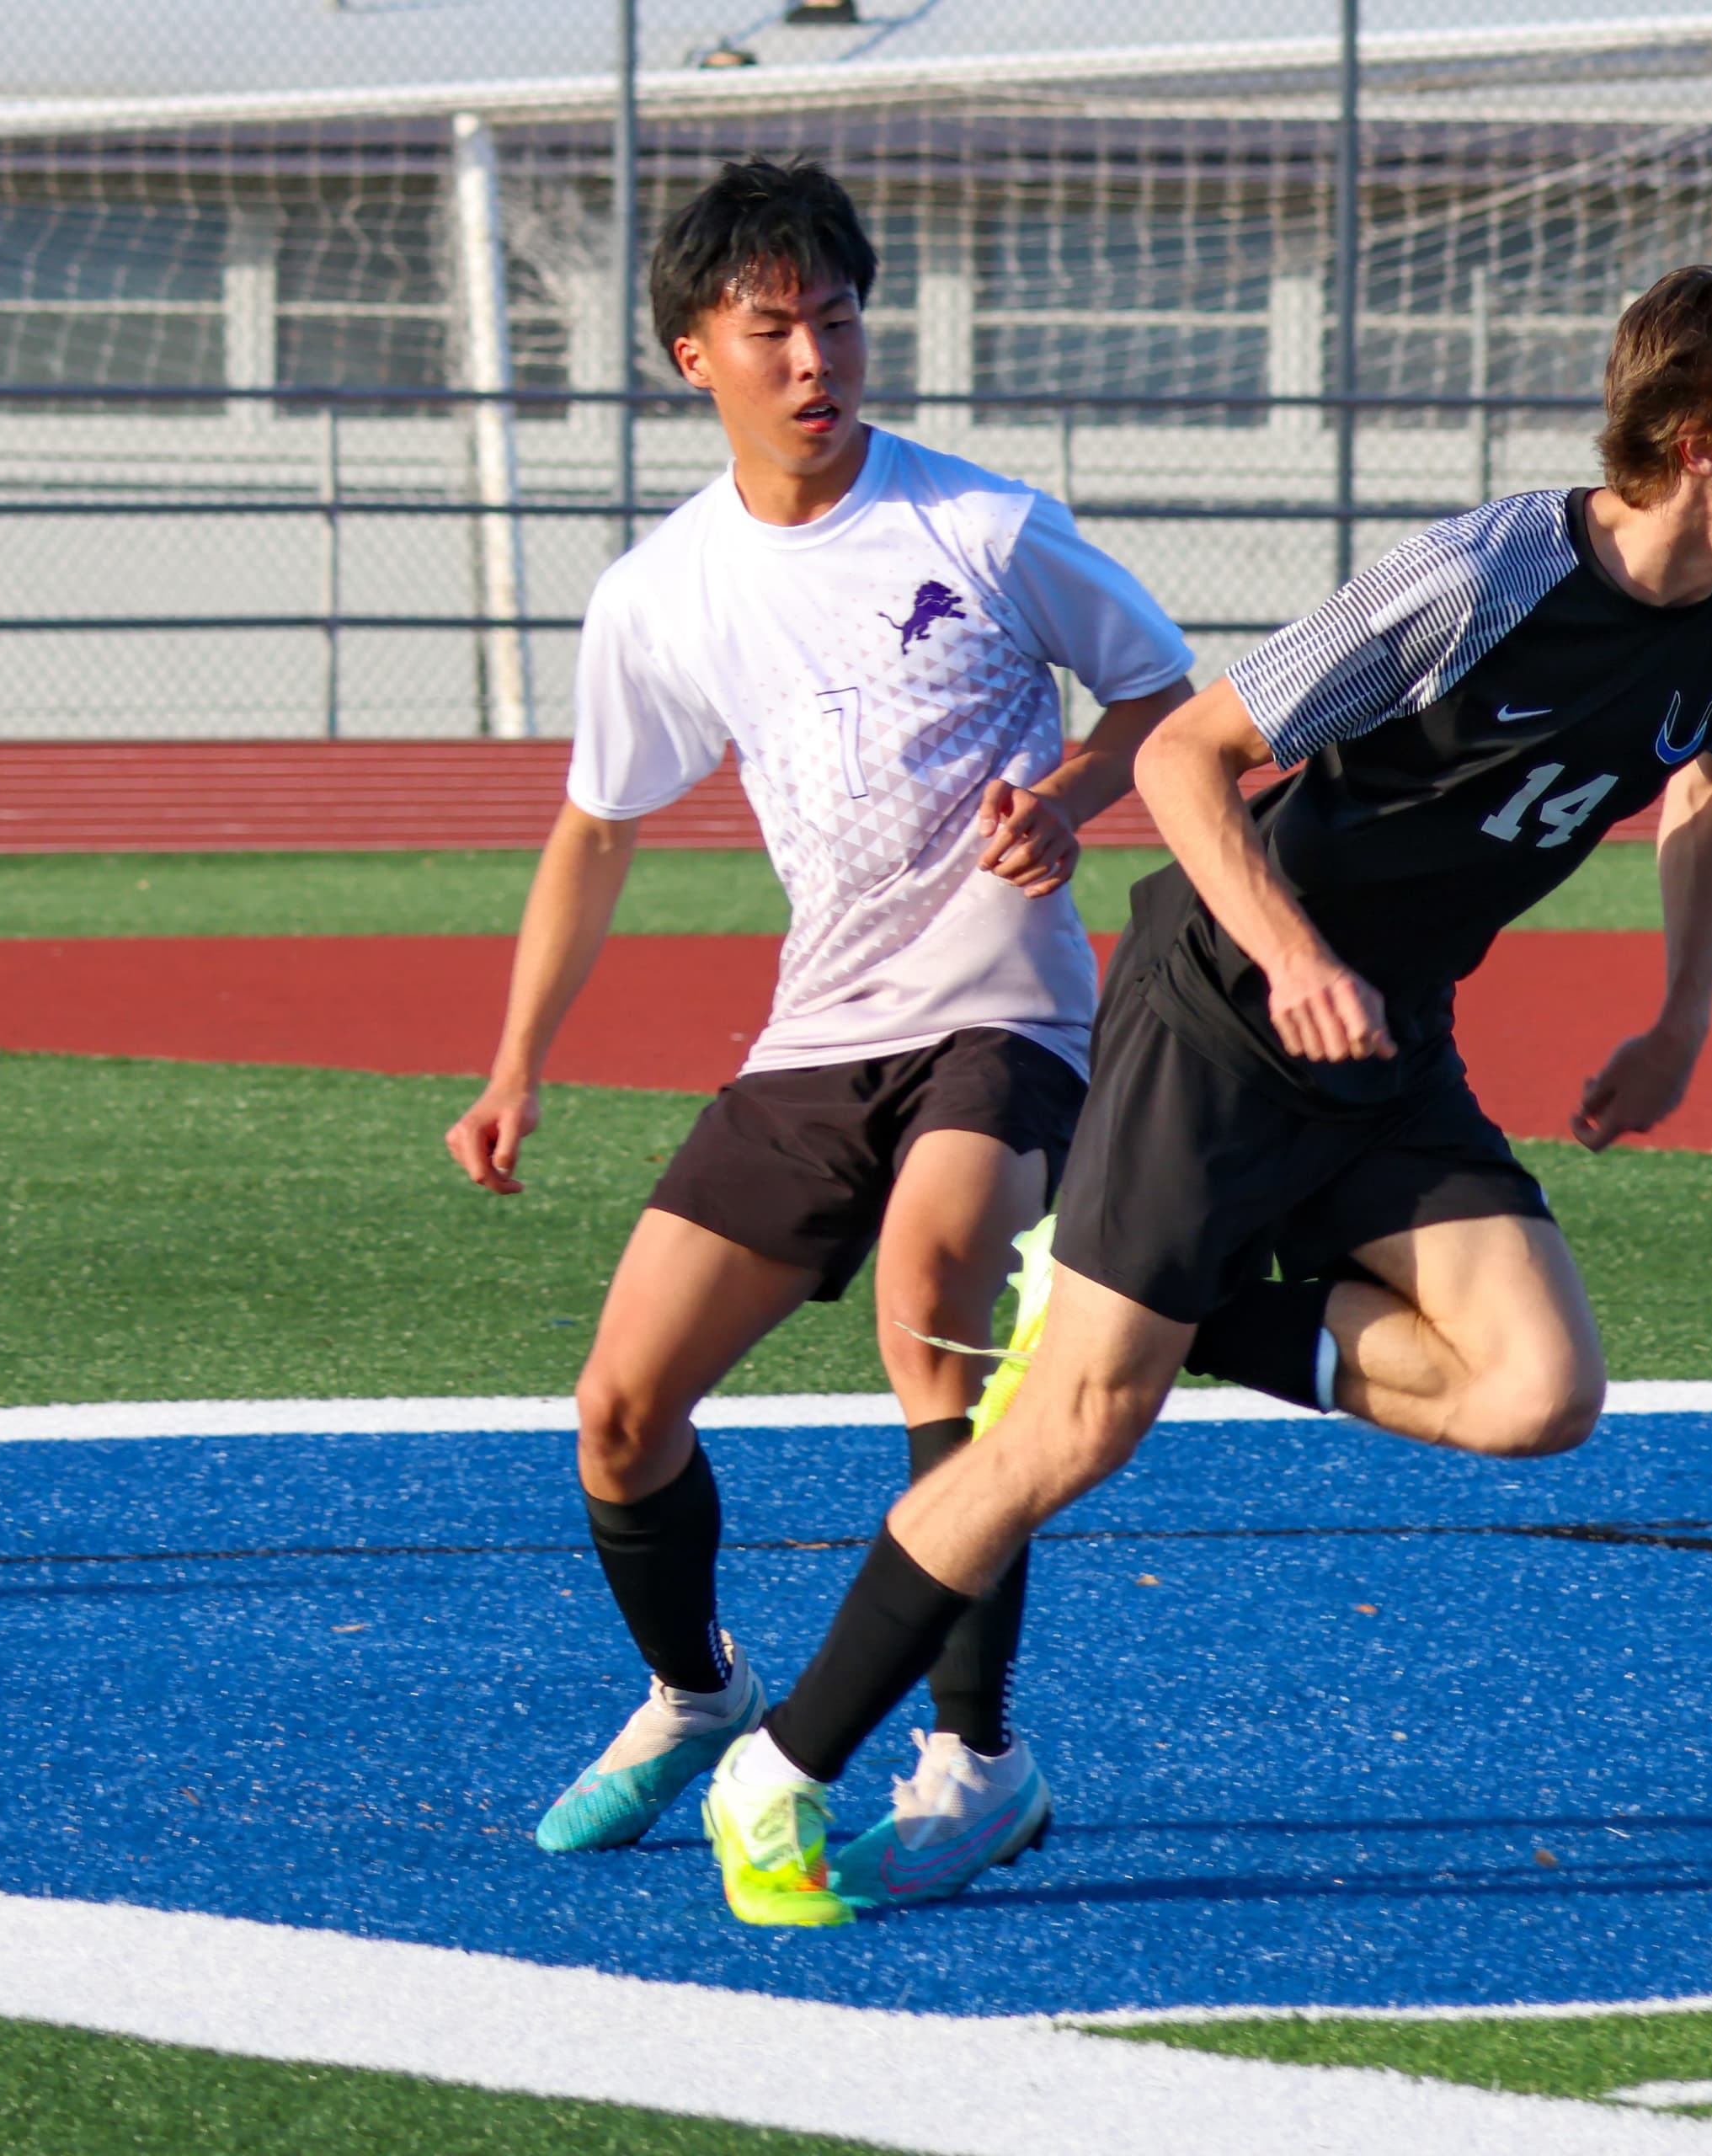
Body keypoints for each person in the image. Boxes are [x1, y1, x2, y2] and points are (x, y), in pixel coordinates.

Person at [688, 259, 1712, 1924]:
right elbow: (1186, 752)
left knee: (1538, 1389)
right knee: (1070, 1426)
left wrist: (1682, 1012)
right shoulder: (1483, 574)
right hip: (1228, 1013)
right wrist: (1297, 955)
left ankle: (1205, 1313)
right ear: (1701, 442)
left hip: (1390, 1046)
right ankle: (780, 1768)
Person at [440, 158, 1195, 1898]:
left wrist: (1075, 792)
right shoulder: (660, 591)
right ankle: (700, 1691)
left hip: (1007, 1009)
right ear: (691, 355)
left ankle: (973, 1750)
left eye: (836, 316)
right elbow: (598, 826)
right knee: (620, 1410)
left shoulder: (986, 525)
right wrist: (515, 1065)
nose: (813, 355)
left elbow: (1165, 697)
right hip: (815, 1033)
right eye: (769, 326)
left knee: (937, 1297)